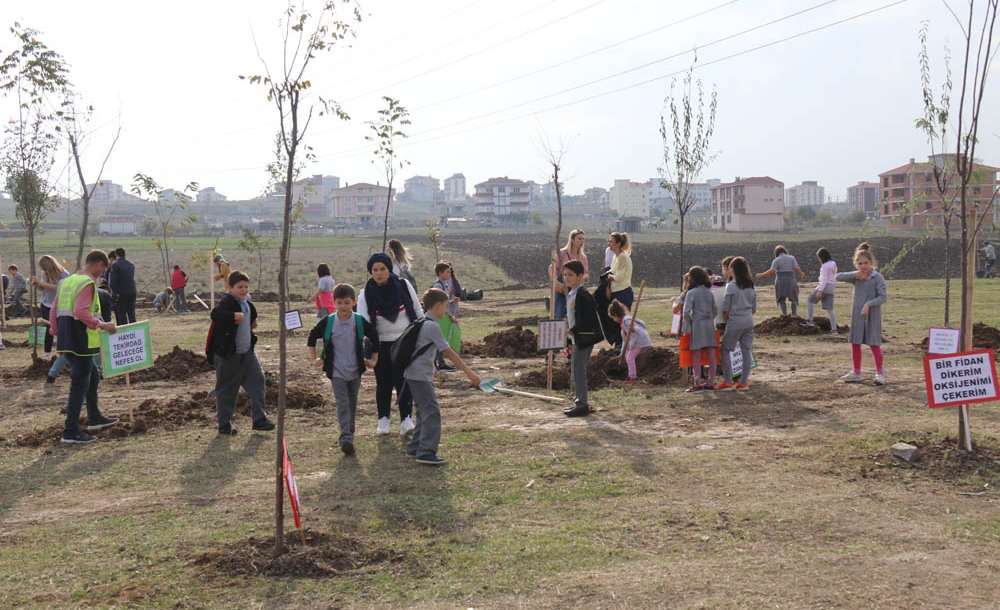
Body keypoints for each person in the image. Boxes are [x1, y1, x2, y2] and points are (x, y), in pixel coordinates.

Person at [404, 288, 481, 465]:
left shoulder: (420, 321)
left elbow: (422, 349)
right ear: (438, 306)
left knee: (423, 410)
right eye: (445, 307)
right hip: (419, 376)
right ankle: (426, 452)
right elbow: (448, 352)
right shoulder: (432, 326)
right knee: (432, 411)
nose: (446, 311)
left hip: (413, 374)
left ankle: (415, 446)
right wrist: (470, 373)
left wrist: (433, 368)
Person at [49, 250, 119, 444]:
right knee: (79, 384)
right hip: (81, 339)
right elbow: (81, 311)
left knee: (93, 375)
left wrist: (55, 330)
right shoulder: (87, 283)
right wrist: (104, 325)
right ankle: (70, 431)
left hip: (66, 337)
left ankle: (94, 417)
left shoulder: (67, 282)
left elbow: (55, 308)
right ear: (98, 264)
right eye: (104, 269)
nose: (103, 273)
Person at [307, 283, 379, 456]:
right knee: (342, 403)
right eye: (339, 303)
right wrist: (315, 358)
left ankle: (349, 433)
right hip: (336, 371)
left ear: (353, 302)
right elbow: (311, 337)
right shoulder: (329, 321)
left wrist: (374, 359)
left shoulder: (359, 321)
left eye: (347, 302)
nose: (343, 306)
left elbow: (375, 337)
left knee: (352, 402)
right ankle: (345, 437)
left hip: (355, 371)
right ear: (334, 303)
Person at [357, 252, 423, 437]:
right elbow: (364, 322)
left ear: (389, 269)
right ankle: (383, 420)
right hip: (381, 346)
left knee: (404, 381)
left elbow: (417, 310)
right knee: (384, 383)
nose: (379, 273)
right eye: (375, 270)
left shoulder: (403, 285)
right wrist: (368, 348)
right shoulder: (365, 293)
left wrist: (423, 333)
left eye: (382, 269)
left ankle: (406, 419)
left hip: (404, 342)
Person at [208, 270, 276, 435]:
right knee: (227, 390)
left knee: (258, 381)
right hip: (229, 355)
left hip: (247, 353)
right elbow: (215, 314)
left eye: (246, 286)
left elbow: (252, 320)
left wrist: (252, 324)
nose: (244, 290)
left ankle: (259, 419)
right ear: (230, 288)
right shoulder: (227, 302)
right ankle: (224, 425)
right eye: (240, 287)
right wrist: (232, 317)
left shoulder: (247, 304)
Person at [837, 249, 888, 386]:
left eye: (866, 263)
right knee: (855, 342)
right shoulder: (856, 277)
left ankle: (880, 373)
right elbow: (838, 276)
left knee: (874, 344)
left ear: (871, 262)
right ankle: (856, 372)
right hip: (858, 316)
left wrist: (869, 304)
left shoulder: (877, 277)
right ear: (856, 264)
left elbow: (883, 297)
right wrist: (855, 274)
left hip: (872, 316)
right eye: (860, 263)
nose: (863, 266)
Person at [562, 260, 600, 417]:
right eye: (564, 275)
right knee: (576, 370)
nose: (566, 278)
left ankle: (582, 404)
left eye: (570, 275)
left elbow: (588, 318)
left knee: (578, 370)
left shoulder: (583, 295)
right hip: (576, 338)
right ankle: (579, 401)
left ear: (580, 276)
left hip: (583, 338)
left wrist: (573, 330)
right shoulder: (572, 293)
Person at [718, 257, 757, 391]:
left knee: (725, 349)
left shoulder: (731, 286)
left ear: (733, 269)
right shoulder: (751, 285)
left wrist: (725, 319)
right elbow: (754, 309)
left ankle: (728, 380)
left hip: (735, 322)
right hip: (748, 321)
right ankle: (743, 381)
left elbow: (725, 309)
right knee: (746, 351)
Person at [682, 266, 718, 392]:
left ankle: (697, 382)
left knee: (696, 355)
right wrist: (709, 318)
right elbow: (715, 311)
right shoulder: (709, 292)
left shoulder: (691, 293)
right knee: (712, 354)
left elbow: (686, 312)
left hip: (697, 325)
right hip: (709, 325)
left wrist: (691, 321)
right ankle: (711, 381)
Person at [33, 255, 70, 355]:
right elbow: (44, 288)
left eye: (45, 268)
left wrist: (41, 283)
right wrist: (37, 285)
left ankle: (62, 352)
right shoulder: (45, 273)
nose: (44, 271)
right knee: (48, 329)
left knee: (60, 329)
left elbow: (58, 287)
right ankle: (47, 353)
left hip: (60, 306)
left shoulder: (64, 274)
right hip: (46, 304)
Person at [608, 299, 652, 381]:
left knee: (629, 358)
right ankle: (629, 372)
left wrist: (631, 345)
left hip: (641, 341)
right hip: (637, 342)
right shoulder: (622, 326)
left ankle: (632, 377)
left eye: (613, 318)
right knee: (626, 355)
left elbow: (636, 332)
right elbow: (625, 341)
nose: (613, 320)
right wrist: (622, 354)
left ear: (616, 315)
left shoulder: (627, 321)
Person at [550, 229, 589, 320]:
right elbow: (552, 269)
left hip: (575, 290)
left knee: (574, 315)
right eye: (579, 239)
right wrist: (556, 283)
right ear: (572, 239)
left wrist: (581, 279)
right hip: (562, 288)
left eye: (583, 239)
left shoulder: (583, 257)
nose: (582, 241)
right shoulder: (562, 253)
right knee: (560, 314)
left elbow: (586, 273)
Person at [431, 261, 463, 371]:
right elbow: (439, 303)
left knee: (442, 338)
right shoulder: (437, 286)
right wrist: (449, 314)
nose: (449, 274)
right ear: (440, 273)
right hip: (440, 316)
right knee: (439, 338)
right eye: (447, 272)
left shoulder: (444, 284)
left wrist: (451, 301)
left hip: (443, 315)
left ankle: (440, 361)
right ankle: (439, 362)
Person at [756, 245, 804, 316]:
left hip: (780, 281)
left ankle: (784, 315)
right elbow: (796, 268)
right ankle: (794, 314)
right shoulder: (792, 258)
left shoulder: (776, 260)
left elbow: (771, 271)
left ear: (776, 253)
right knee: (794, 298)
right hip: (791, 280)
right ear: (785, 251)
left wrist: (761, 275)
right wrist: (801, 273)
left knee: (781, 299)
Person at [804, 248, 838, 332]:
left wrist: (820, 291)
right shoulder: (833, 263)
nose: (819, 259)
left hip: (824, 287)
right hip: (831, 288)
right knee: (830, 309)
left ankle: (810, 321)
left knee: (810, 300)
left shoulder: (825, 266)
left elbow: (824, 279)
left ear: (822, 257)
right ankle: (834, 329)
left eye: (819, 257)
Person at [109, 248, 137, 325]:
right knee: (131, 314)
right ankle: (134, 332)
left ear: (116, 255)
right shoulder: (131, 265)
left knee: (122, 315)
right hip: (132, 292)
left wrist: (114, 295)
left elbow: (113, 282)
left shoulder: (115, 265)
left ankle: (124, 334)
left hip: (121, 293)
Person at [607, 232, 634, 310]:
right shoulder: (616, 256)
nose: (609, 244)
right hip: (617, 292)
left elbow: (619, 277)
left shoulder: (622, 257)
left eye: (611, 241)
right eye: (608, 241)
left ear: (618, 243)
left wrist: (609, 276)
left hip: (622, 293)